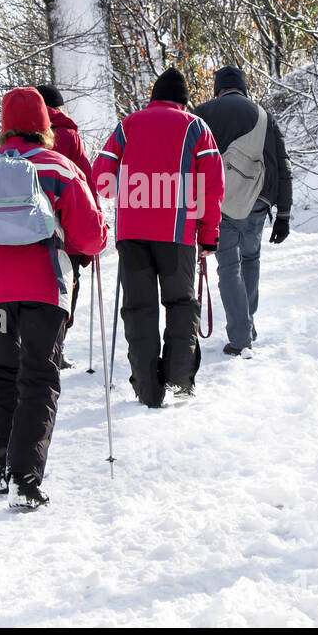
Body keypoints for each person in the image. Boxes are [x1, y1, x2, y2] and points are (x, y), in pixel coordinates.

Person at [0, 87, 107, 509]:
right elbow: (90, 238)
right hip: (44, 286)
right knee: (38, 376)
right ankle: (25, 478)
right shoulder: (61, 167)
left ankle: (0, 464)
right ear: (45, 124)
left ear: (5, 126)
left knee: (1, 372)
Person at [92, 67, 224, 407]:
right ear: (183, 100)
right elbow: (211, 188)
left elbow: (101, 177)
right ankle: (180, 380)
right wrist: (208, 236)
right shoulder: (195, 127)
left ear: (154, 97)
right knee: (180, 304)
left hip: (132, 234)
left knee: (139, 309)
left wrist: (127, 186)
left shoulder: (128, 125)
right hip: (176, 233)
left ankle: (148, 390)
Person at [192, 65, 293, 358]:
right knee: (251, 259)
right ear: (243, 87)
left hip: (219, 203)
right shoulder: (263, 115)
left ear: (218, 88)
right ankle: (246, 327)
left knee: (228, 266)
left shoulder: (202, 113)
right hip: (257, 201)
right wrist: (283, 214)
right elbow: (282, 165)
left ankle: (240, 337)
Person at [34, 84, 98, 369]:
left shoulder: (17, 137)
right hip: (65, 233)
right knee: (65, 287)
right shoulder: (69, 136)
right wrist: (94, 228)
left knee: (31, 285)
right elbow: (86, 183)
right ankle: (55, 347)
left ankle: (32, 346)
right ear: (58, 108)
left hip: (25, 232)